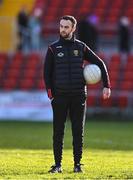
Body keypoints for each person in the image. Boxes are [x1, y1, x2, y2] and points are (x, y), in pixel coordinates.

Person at [44, 15, 111, 173]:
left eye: (66, 27)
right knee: (58, 131)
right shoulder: (53, 48)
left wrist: (106, 85)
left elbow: (100, 63)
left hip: (79, 95)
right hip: (59, 96)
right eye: (61, 26)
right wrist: (50, 93)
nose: (63, 29)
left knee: (78, 131)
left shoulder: (81, 47)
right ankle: (58, 165)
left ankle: (77, 164)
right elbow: (46, 73)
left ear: (73, 29)